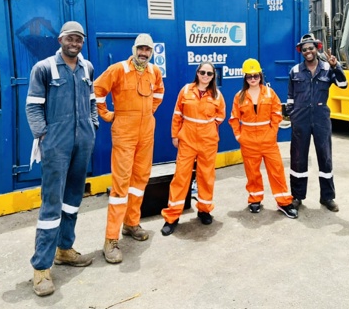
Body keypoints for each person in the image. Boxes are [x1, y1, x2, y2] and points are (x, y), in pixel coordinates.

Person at [26, 21, 98, 296]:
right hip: (56, 144)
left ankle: (65, 249)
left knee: (72, 201)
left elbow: (92, 100)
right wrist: (43, 135)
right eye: (70, 38)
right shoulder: (44, 68)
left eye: (79, 39)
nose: (75, 43)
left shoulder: (87, 67)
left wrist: (93, 126)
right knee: (51, 205)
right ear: (60, 39)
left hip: (82, 141)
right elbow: (33, 106)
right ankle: (41, 268)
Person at [94, 33, 165, 263]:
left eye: (148, 50)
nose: (144, 53)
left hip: (146, 131)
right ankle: (111, 238)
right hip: (124, 131)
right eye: (141, 49)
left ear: (151, 52)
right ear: (134, 49)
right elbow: (97, 90)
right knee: (121, 183)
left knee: (140, 180)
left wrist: (149, 112)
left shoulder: (154, 71)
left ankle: (131, 223)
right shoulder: (118, 70)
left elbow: (159, 93)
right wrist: (106, 114)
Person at [161, 62, 226, 236]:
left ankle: (204, 210)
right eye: (202, 72)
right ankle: (172, 217)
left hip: (208, 142)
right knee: (181, 177)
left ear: (213, 76)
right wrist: (175, 135)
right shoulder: (186, 90)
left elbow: (220, 116)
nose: (205, 75)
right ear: (197, 73)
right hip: (187, 140)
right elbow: (177, 114)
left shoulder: (217, 95)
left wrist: (208, 129)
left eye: (209, 73)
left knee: (206, 176)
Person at [286, 33, 347, 212]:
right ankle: (297, 196)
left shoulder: (328, 68)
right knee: (298, 158)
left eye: (311, 48)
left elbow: (343, 84)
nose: (308, 51)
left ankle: (327, 197)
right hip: (301, 119)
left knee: (325, 157)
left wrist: (337, 66)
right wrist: (293, 114)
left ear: (317, 48)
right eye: (304, 49)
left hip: (321, 118)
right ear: (301, 51)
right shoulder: (295, 71)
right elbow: (290, 97)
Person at [229, 58, 297, 218]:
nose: (253, 79)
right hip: (248, 142)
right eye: (249, 76)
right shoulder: (239, 96)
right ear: (245, 78)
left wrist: (272, 132)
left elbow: (277, 114)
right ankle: (255, 199)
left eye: (256, 75)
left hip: (268, 141)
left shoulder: (269, 93)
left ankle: (284, 202)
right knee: (252, 173)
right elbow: (233, 119)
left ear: (260, 75)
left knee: (277, 171)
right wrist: (239, 136)